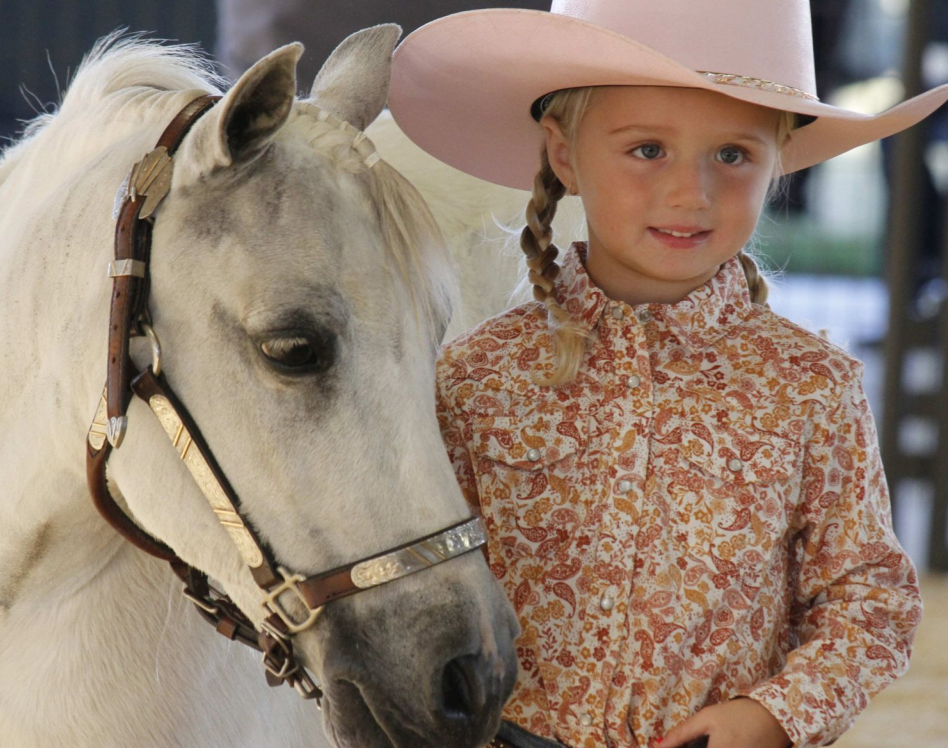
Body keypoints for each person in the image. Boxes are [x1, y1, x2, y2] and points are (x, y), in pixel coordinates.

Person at [388, 2, 948, 747]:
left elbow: (871, 602)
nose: (692, 193)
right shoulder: (477, 377)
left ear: (777, 160)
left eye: (732, 155)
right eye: (648, 150)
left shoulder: (812, 386)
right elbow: (422, 587)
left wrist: (777, 715)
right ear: (563, 154)